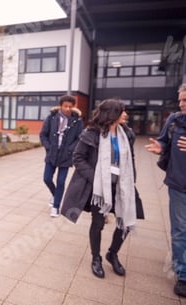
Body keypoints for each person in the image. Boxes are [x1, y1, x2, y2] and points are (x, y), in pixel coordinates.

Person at [61, 98, 144, 279]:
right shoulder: (91, 133)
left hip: (122, 186)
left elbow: (131, 158)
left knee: (127, 222)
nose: (125, 114)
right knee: (97, 223)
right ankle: (96, 258)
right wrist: (96, 178)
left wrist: (132, 179)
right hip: (99, 188)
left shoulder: (127, 134)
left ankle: (112, 254)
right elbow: (78, 158)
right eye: (122, 111)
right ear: (112, 114)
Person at [145, 83, 186, 297]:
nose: (181, 104)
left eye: (185, 100)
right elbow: (163, 141)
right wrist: (160, 147)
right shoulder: (174, 120)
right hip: (178, 185)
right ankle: (182, 274)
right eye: (180, 99)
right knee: (180, 230)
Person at [39, 94, 83, 217]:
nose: (68, 109)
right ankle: (56, 195)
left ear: (73, 107)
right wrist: (48, 147)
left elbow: (79, 138)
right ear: (61, 106)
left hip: (66, 156)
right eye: (65, 106)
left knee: (61, 182)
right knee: (46, 178)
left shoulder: (77, 121)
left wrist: (70, 149)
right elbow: (43, 134)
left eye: (70, 106)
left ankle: (56, 206)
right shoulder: (51, 118)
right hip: (52, 154)